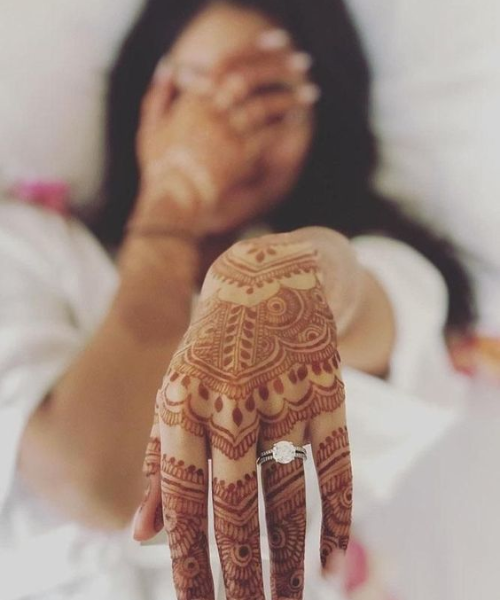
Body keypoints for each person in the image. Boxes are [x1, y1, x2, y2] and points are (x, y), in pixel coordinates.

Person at [0, 1, 474, 599]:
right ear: (144, 102)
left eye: (267, 97)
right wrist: (171, 209)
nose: (227, 131)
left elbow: (346, 301)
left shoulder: (391, 270)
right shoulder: (26, 253)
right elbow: (95, 483)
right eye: (196, 93)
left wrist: (279, 277)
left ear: (321, 117)